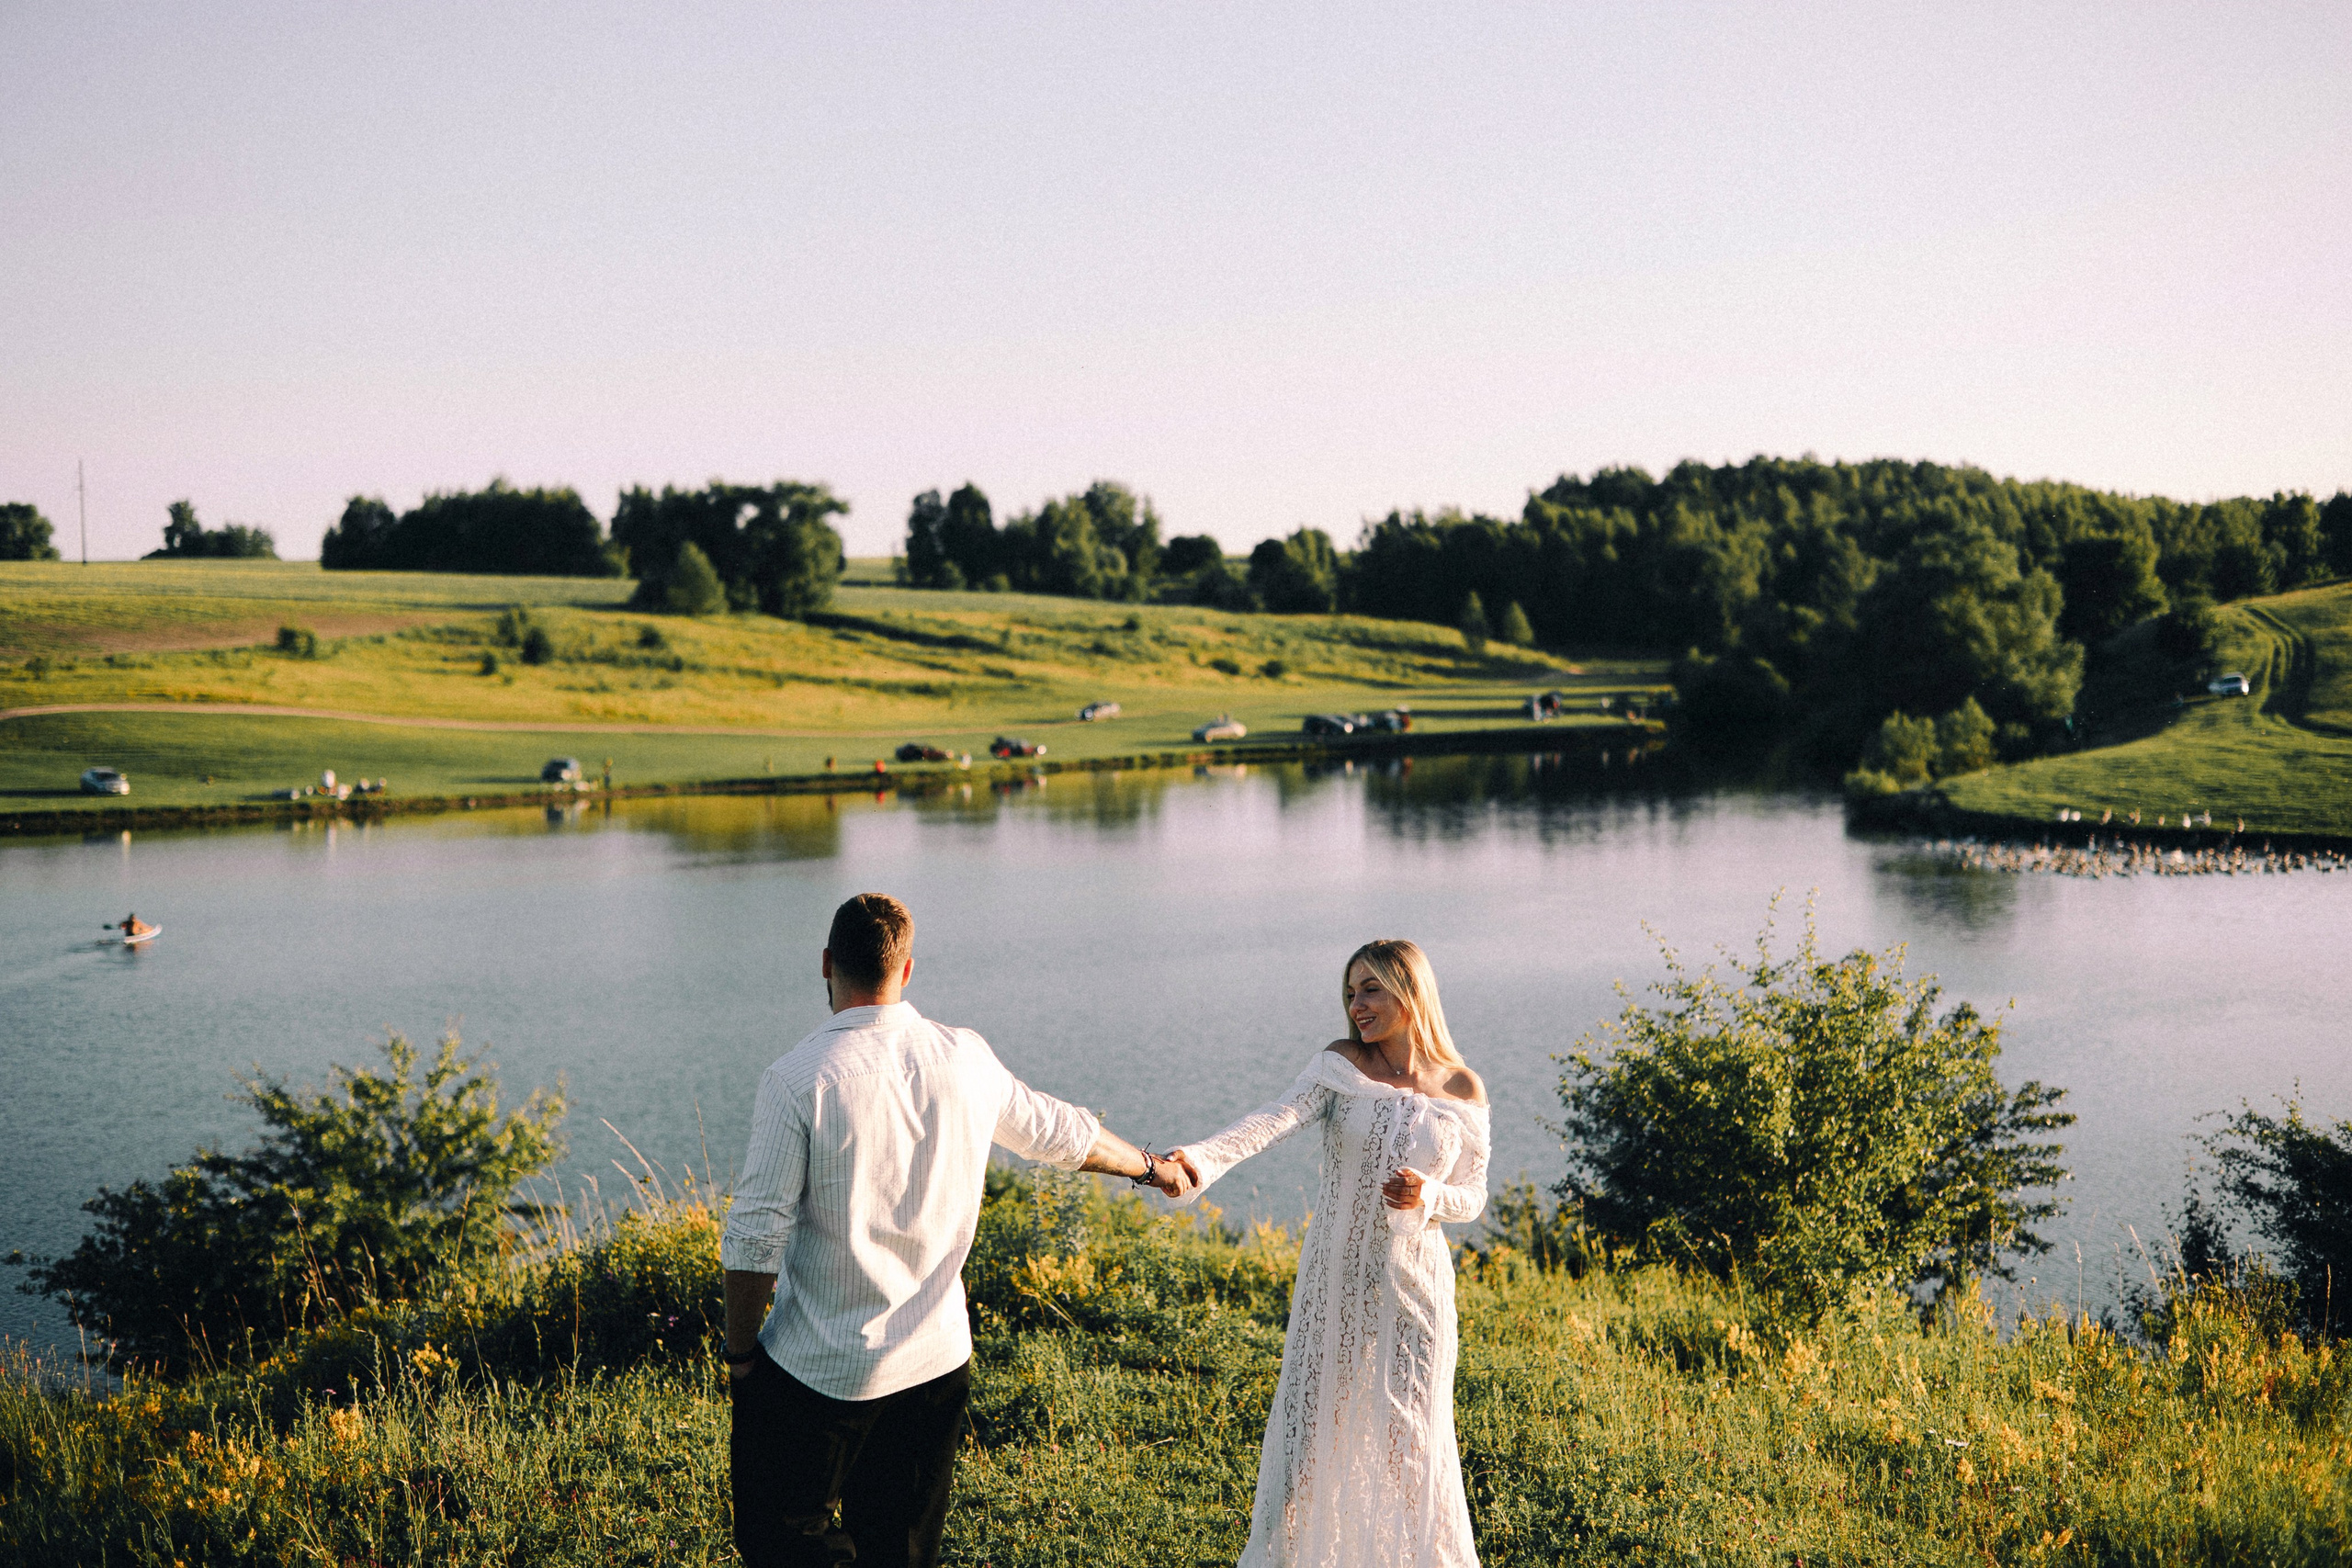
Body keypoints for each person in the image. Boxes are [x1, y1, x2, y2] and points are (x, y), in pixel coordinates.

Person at [721, 893, 1187, 1568]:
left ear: (826, 962)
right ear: (907, 970)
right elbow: (1057, 1130)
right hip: (933, 1362)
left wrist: (740, 1357)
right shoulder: (964, 1057)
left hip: (818, 1372)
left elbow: (753, 1237)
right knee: (902, 1551)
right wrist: (1150, 1166)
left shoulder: (797, 1080)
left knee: (782, 1538)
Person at [1168, 939, 1490, 1568]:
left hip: (1418, 1293)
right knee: (1308, 1441)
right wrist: (1196, 1159)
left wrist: (1431, 1195)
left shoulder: (1462, 1085)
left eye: (1370, 988)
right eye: (1350, 992)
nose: (1357, 1004)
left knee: (1414, 1445)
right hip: (1335, 1284)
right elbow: (1271, 1121)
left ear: (1410, 988)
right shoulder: (1340, 1065)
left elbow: (1473, 1195)